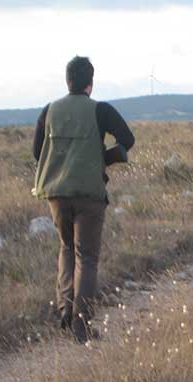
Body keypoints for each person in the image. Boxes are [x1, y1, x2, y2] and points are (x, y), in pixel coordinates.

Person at [32, 56, 135, 343]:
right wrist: (103, 158)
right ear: (91, 82)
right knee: (86, 258)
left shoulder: (49, 110)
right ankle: (82, 326)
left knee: (66, 249)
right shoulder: (100, 110)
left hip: (55, 192)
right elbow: (128, 139)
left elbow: (36, 152)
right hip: (89, 193)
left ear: (67, 81)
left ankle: (65, 309)